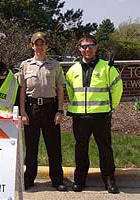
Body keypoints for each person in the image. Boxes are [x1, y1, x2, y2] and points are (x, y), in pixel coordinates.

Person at [65, 34, 123, 193]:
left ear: (96, 47)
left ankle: (110, 181)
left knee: (105, 149)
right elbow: (70, 92)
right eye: (83, 46)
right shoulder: (72, 70)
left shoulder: (108, 68)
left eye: (90, 46)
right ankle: (79, 180)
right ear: (79, 49)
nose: (87, 49)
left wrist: (111, 107)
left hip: (101, 116)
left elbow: (117, 89)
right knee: (81, 149)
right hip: (80, 117)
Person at [18, 32, 67, 191]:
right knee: (31, 147)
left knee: (53, 146)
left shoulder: (55, 65)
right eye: (36, 44)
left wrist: (60, 110)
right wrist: (23, 112)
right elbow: (22, 91)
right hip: (32, 109)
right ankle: (29, 178)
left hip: (50, 108)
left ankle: (57, 179)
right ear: (32, 46)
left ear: (46, 46)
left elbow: (60, 89)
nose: (39, 47)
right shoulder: (25, 65)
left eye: (42, 44)